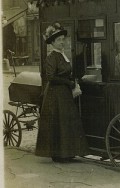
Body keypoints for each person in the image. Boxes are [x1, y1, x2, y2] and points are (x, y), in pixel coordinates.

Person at [35, 22, 88, 162]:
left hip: (64, 93)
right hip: (55, 94)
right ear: (52, 43)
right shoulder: (52, 57)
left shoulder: (63, 55)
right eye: (59, 40)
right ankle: (58, 154)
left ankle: (67, 152)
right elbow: (50, 77)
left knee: (67, 122)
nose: (62, 42)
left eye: (62, 40)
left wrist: (72, 81)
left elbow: (64, 72)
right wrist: (68, 82)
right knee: (59, 122)